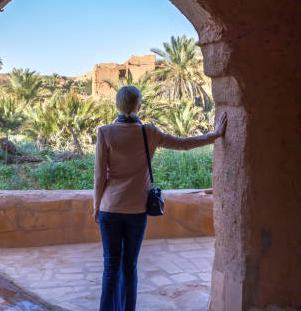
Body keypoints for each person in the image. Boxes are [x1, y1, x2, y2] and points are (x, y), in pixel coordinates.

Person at [93, 85, 228, 311]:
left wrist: (97, 205)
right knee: (130, 266)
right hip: (136, 210)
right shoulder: (149, 133)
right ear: (139, 106)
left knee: (111, 267)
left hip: (110, 208)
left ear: (117, 105)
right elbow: (181, 144)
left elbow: (99, 176)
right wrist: (213, 135)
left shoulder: (105, 132)